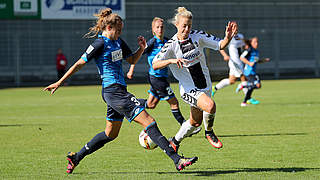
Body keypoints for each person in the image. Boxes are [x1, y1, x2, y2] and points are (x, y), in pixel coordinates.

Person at [43, 8, 197, 174]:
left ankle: (76, 157)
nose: (120, 33)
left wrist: (141, 49)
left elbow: (131, 59)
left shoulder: (118, 41)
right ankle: (177, 159)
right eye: (118, 30)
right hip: (113, 91)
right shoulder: (99, 44)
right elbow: (79, 63)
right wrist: (59, 82)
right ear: (109, 28)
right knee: (149, 122)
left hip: (118, 92)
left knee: (111, 133)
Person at [152, 7, 238, 152]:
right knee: (210, 106)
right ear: (177, 24)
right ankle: (209, 132)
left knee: (194, 122)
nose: (186, 29)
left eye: (189, 26)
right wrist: (172, 60)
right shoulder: (170, 45)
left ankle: (174, 142)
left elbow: (220, 45)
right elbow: (155, 64)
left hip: (205, 85)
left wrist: (228, 37)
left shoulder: (198, 36)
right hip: (188, 89)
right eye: (184, 25)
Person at [126, 17, 201, 135]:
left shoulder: (167, 41)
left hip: (161, 77)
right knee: (174, 102)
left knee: (151, 105)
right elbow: (138, 55)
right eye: (157, 27)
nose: (160, 29)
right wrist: (131, 69)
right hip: (157, 79)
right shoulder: (151, 43)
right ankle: (186, 127)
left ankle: (129, 104)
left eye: (162, 27)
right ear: (153, 30)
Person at [239, 37, 270, 106]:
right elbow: (241, 57)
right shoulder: (249, 50)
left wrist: (263, 60)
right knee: (257, 85)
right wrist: (249, 63)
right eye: (255, 42)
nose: (257, 43)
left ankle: (244, 101)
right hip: (248, 72)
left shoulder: (256, 52)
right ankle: (243, 87)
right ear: (251, 43)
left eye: (257, 42)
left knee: (254, 87)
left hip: (253, 72)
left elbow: (256, 61)